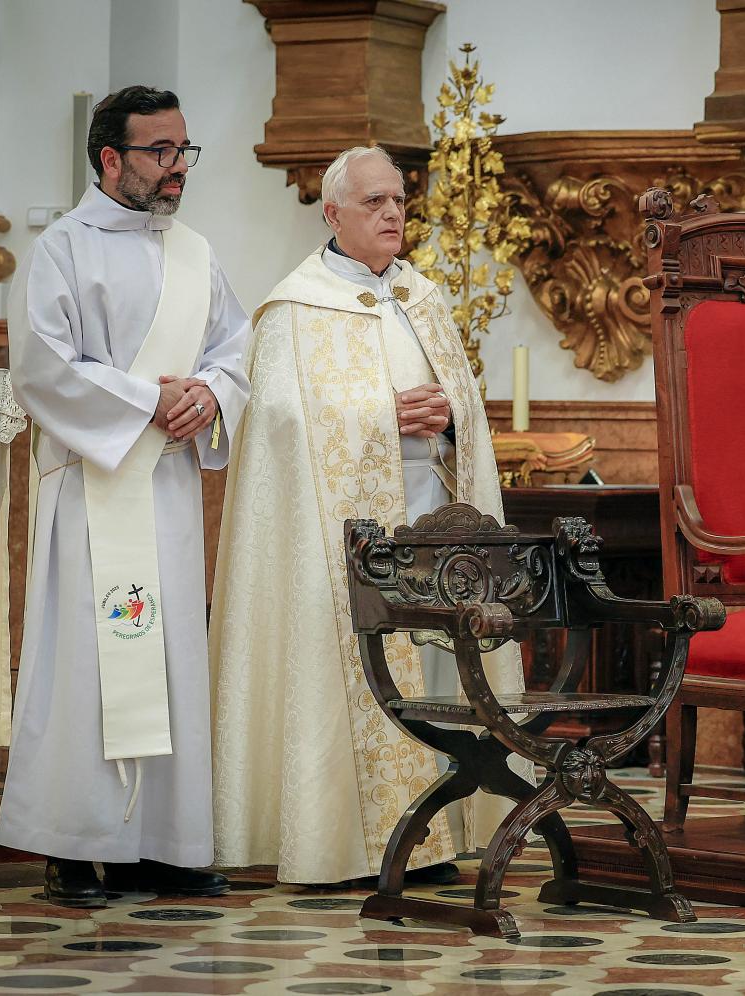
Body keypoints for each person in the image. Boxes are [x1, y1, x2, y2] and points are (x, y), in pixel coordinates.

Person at [209, 146, 527, 886]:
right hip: (340, 533)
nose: (392, 214)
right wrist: (381, 419)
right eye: (375, 203)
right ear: (332, 214)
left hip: (433, 518)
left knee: (440, 669)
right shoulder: (295, 308)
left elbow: (466, 410)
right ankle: (340, 843)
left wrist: (449, 419)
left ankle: (438, 832)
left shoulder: (425, 296)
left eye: (400, 201)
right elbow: (282, 422)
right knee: (348, 669)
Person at [0, 86, 250, 905]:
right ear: (110, 158)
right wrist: (153, 400)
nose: (178, 170)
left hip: (165, 490)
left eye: (184, 152)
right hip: (96, 487)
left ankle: (164, 846)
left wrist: (209, 393)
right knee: (87, 665)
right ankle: (72, 844)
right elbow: (44, 367)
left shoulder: (196, 254)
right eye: (160, 153)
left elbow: (235, 349)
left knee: (169, 659)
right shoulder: (60, 251)